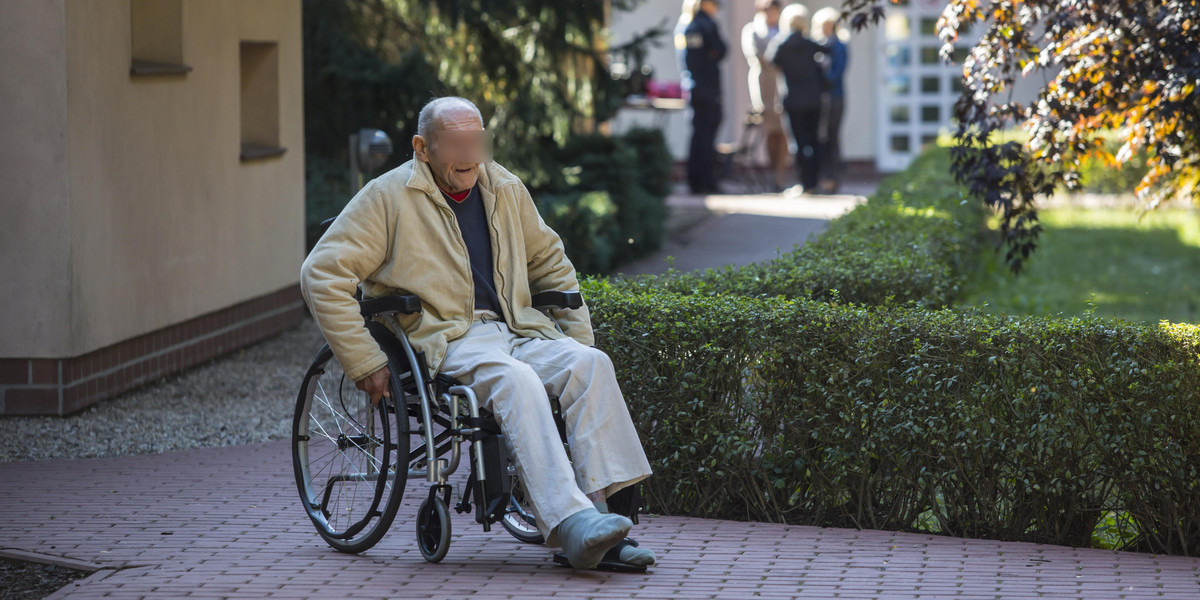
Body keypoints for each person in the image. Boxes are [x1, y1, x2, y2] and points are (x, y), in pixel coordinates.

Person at [300, 97, 656, 571]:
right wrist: (364, 359)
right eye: (456, 143)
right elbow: (322, 273)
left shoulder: (504, 185)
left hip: (519, 327)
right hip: (447, 338)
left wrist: (575, 339)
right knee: (516, 380)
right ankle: (571, 525)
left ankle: (607, 522)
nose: (470, 154)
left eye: (477, 141)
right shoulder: (388, 196)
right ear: (423, 148)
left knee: (590, 365)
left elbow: (549, 261)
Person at [765, 4, 827, 194]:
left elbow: (770, 60)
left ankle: (805, 183)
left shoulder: (781, 43)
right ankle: (814, 182)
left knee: (799, 143)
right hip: (814, 99)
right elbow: (827, 53)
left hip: (793, 99)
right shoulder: (811, 43)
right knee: (813, 140)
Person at [676, 0, 727, 194]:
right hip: (707, 89)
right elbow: (720, 50)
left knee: (699, 134)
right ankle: (705, 181)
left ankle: (697, 180)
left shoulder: (685, 25)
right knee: (705, 136)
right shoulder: (703, 25)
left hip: (694, 88)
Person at [742, 0, 789, 192]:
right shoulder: (753, 30)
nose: (772, 15)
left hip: (783, 86)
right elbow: (756, 57)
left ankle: (780, 175)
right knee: (770, 131)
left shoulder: (783, 29)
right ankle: (772, 175)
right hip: (764, 86)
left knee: (784, 132)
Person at [813, 7, 849, 194]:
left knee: (832, 138)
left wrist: (823, 74)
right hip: (820, 99)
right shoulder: (817, 45)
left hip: (835, 97)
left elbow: (836, 73)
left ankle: (833, 178)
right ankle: (823, 177)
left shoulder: (839, 46)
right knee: (821, 139)